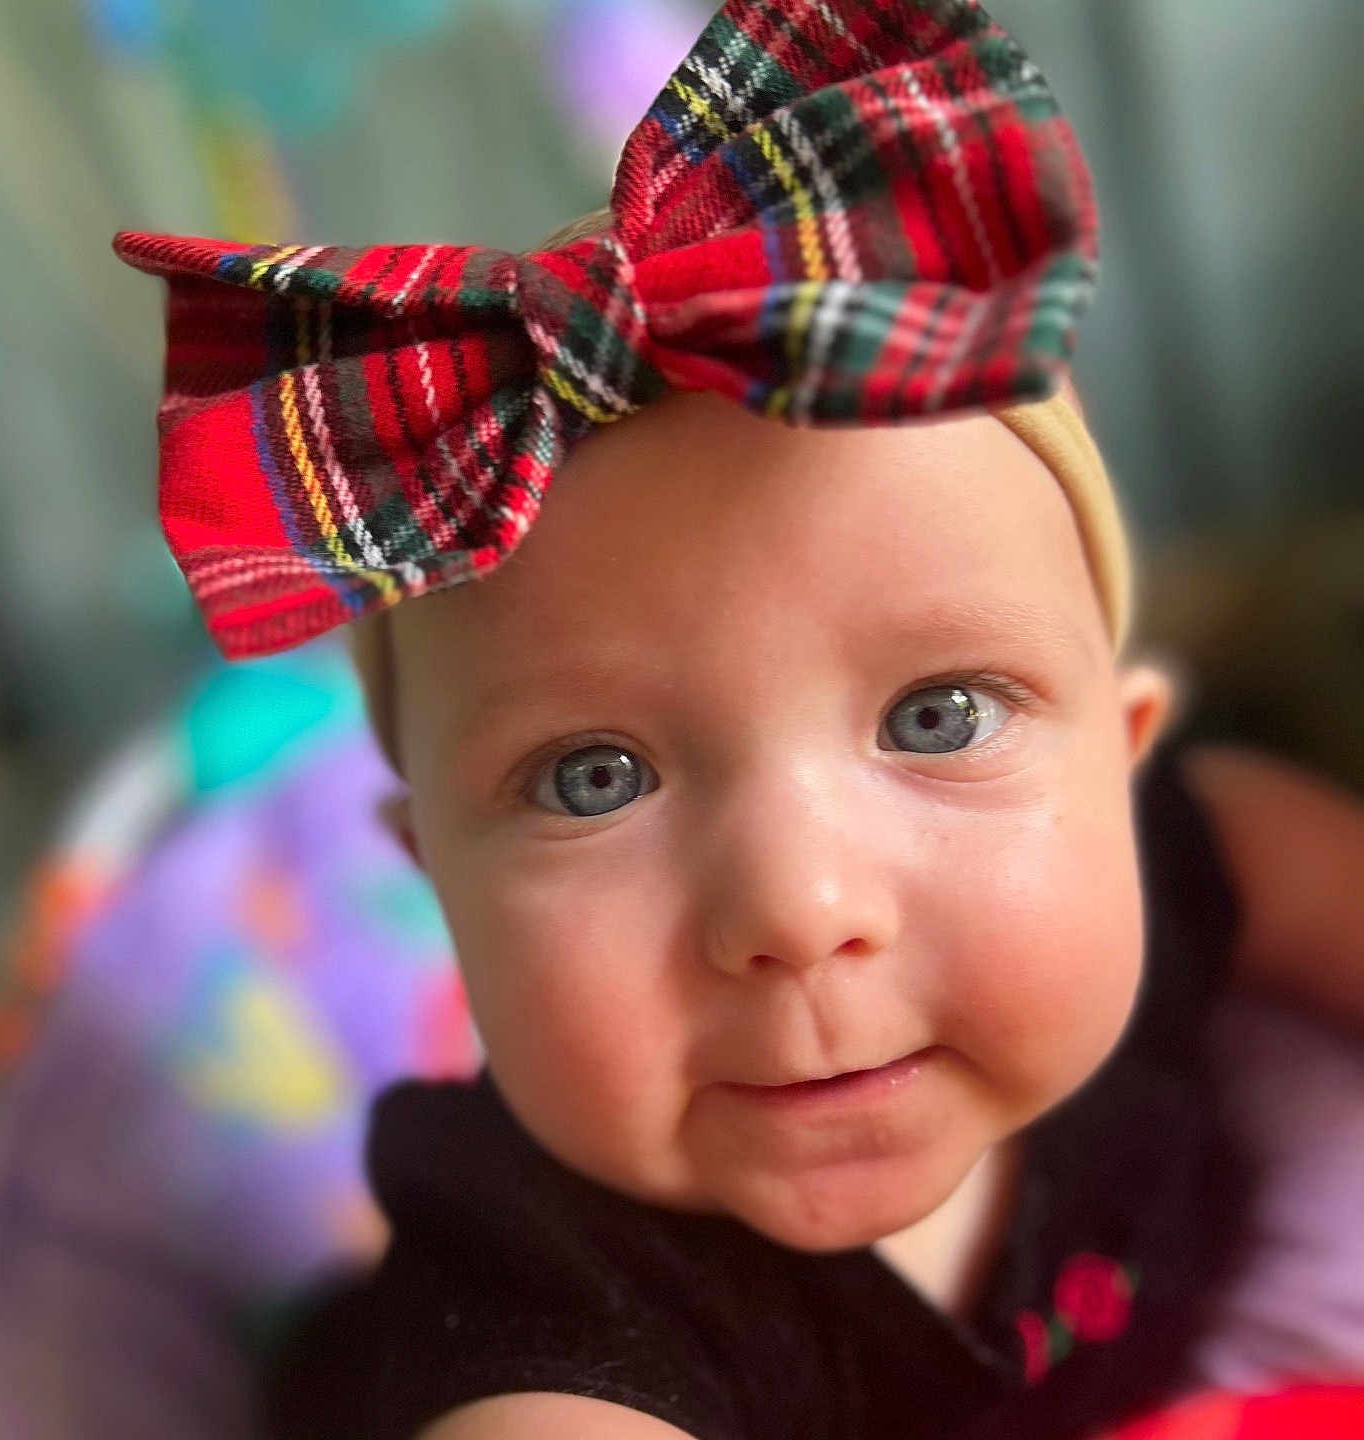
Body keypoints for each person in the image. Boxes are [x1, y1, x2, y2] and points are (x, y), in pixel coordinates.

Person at [112, 2, 1364, 1436]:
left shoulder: (1199, 867)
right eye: (593, 779)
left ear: (1123, 761)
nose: (797, 903)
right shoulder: (558, 1291)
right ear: (435, 875)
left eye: (940, 715)